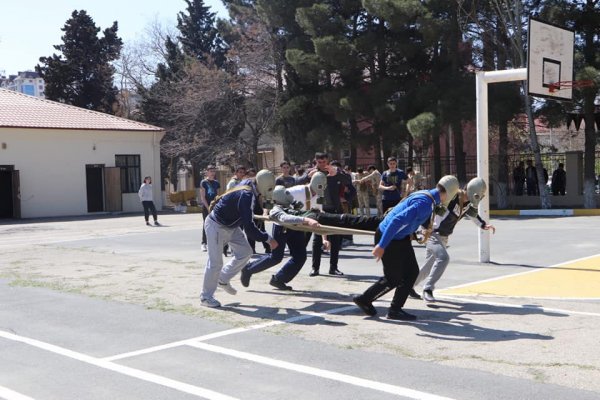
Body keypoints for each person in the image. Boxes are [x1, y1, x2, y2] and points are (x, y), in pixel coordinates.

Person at [352, 175, 460, 321]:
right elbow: (397, 220)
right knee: (393, 278)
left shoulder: (427, 195)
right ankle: (365, 299)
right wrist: (382, 245)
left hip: (400, 237)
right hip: (389, 237)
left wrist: (411, 232)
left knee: (412, 272)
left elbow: (408, 218)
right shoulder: (424, 203)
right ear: (448, 194)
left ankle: (395, 310)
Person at [200, 170, 279, 308]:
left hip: (231, 226)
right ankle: (206, 297)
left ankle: (223, 279)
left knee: (245, 252)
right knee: (215, 263)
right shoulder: (247, 195)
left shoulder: (251, 186)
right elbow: (249, 227)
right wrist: (268, 238)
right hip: (217, 225)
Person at [414, 178, 496, 303]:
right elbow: (437, 212)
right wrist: (428, 229)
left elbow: (473, 215)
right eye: (478, 195)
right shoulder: (452, 198)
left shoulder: (468, 203)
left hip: (443, 237)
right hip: (432, 233)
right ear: (473, 191)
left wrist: (484, 225)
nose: (479, 198)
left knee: (428, 266)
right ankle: (428, 289)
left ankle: (407, 286)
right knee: (443, 259)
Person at [240, 172, 327, 290]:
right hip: (282, 225)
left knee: (300, 257)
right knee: (276, 257)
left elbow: (320, 217)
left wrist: (324, 239)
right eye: (317, 190)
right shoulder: (296, 191)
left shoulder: (319, 197)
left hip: (298, 227)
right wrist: (267, 211)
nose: (317, 193)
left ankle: (279, 279)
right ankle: (248, 269)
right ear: (313, 184)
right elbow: (273, 195)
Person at [298, 152, 352, 276]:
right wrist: (308, 176)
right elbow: (297, 181)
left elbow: (348, 181)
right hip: (318, 210)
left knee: (335, 239)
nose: (322, 164)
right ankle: (315, 268)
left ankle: (333, 267)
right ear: (316, 161)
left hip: (334, 208)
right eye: (319, 162)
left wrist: (336, 173)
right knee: (317, 240)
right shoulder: (312, 172)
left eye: (324, 162)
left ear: (328, 160)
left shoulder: (335, 170)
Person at [200, 166, 220, 252]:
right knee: (206, 224)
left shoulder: (216, 183)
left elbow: (218, 196)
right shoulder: (203, 182)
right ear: (207, 172)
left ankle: (214, 243)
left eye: (214, 171)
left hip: (215, 207)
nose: (212, 173)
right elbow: (202, 197)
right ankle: (204, 243)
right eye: (211, 171)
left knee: (216, 225)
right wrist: (208, 207)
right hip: (206, 207)